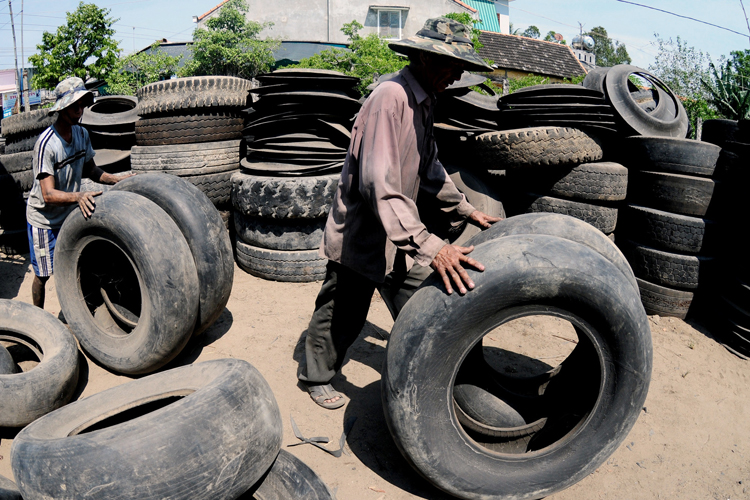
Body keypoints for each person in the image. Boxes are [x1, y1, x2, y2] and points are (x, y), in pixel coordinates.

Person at [298, 17, 502, 409]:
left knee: (423, 299)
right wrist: (429, 244)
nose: (457, 73)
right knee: (342, 308)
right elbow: (379, 182)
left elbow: (429, 168)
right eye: (450, 64)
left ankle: (450, 376)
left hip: (399, 229)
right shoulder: (389, 98)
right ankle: (315, 376)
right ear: (423, 58)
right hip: (364, 229)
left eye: (460, 66)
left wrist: (464, 209)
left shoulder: (424, 101)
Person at [26, 76, 132, 310]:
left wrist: (116, 179)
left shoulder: (82, 135)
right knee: (43, 274)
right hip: (44, 218)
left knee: (76, 264)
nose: (80, 109)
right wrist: (78, 196)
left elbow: (91, 170)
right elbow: (48, 195)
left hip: (67, 214)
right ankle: (37, 316)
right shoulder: (47, 144)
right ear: (62, 108)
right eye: (75, 104)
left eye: (82, 103)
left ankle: (83, 310)